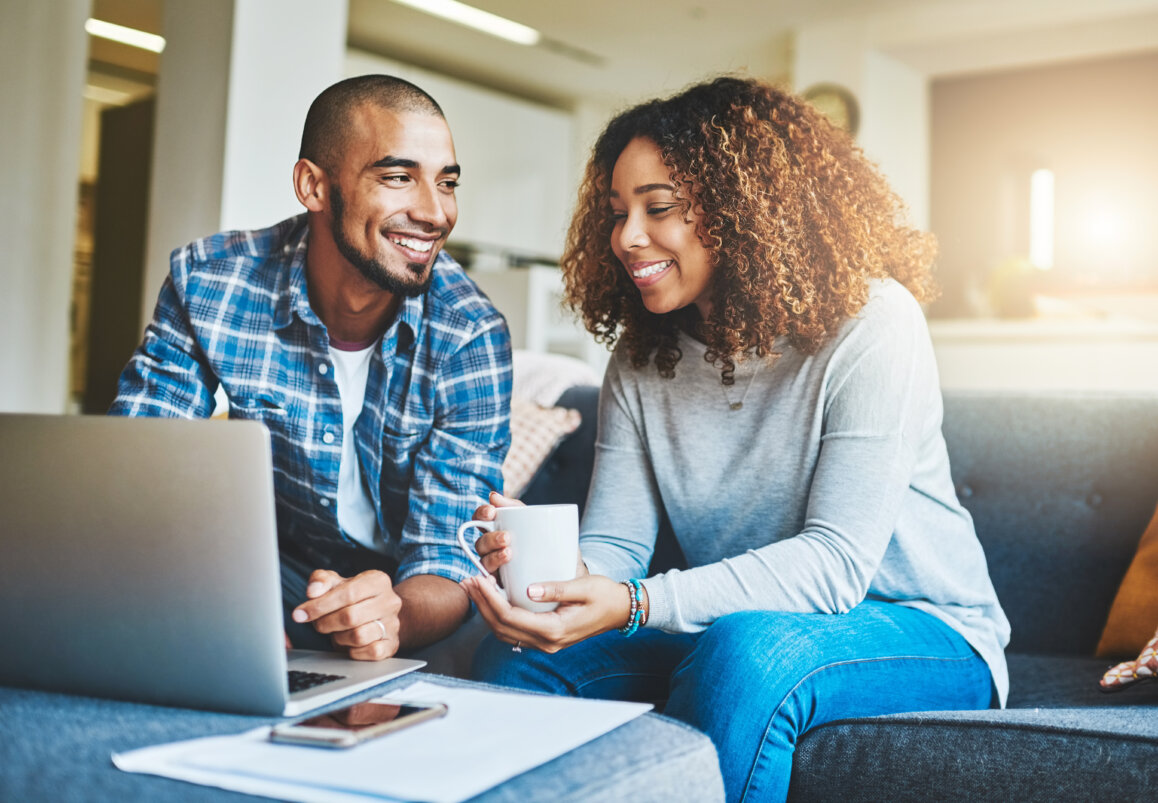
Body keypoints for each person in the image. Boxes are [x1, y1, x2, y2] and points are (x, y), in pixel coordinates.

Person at [461, 76, 1010, 802]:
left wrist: (633, 604)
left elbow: (834, 566)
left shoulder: (875, 323)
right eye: (617, 212)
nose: (627, 237)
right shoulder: (640, 354)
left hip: (926, 628)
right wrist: (549, 579)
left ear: (744, 211)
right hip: (740, 624)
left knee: (749, 650)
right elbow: (617, 549)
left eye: (658, 208)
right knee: (519, 662)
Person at [111, 75, 512, 662]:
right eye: (399, 177)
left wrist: (387, 615)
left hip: (408, 589)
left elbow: (447, 561)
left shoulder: (468, 333)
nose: (434, 212)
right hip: (272, 566)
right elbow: (138, 466)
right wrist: (214, 592)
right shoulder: (212, 282)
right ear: (313, 186)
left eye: (446, 183)